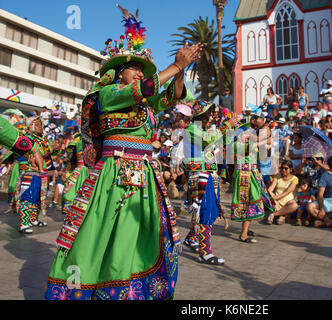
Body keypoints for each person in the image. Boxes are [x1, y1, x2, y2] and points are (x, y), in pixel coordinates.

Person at [45, 7, 202, 300]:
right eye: (134, 68)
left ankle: (131, 291)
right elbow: (142, 90)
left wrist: (181, 70)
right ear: (118, 73)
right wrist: (174, 66)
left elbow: (172, 96)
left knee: (139, 236)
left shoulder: (146, 105)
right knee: (98, 233)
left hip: (143, 175)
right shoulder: (107, 95)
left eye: (142, 69)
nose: (140, 73)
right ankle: (86, 288)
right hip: (112, 175)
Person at [182, 100, 237, 265]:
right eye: (210, 115)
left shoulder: (202, 130)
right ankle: (204, 253)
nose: (212, 118)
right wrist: (226, 126)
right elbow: (208, 140)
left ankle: (192, 239)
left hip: (208, 174)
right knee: (207, 211)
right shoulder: (191, 129)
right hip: (200, 176)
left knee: (209, 210)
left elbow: (215, 144)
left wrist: (230, 129)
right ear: (201, 116)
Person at [231, 129, 273, 242]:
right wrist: (265, 141)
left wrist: (266, 146)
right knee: (248, 201)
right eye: (245, 134)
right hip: (244, 175)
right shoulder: (236, 144)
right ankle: (243, 234)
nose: (247, 136)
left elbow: (261, 156)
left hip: (252, 174)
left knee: (253, 199)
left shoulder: (251, 146)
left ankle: (246, 229)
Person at [266, 160, 299, 225]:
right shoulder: (277, 176)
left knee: (294, 205)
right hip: (277, 202)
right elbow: (270, 190)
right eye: (282, 168)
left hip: (287, 203)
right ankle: (282, 215)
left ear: (291, 169)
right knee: (270, 198)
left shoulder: (294, 179)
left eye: (286, 168)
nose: (283, 170)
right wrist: (274, 200)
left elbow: (287, 191)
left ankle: (274, 214)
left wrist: (275, 198)